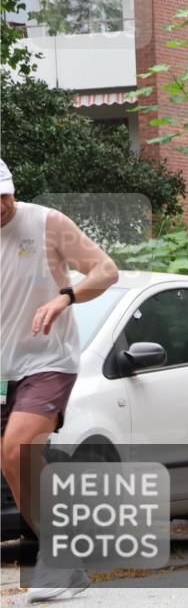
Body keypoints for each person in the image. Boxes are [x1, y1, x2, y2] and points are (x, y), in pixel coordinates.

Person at [0, 159, 119, 601]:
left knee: (17, 448)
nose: (2, 204)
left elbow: (106, 270)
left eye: (5, 193)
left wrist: (65, 298)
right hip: (3, 368)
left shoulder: (47, 223)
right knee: (12, 463)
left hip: (48, 360)